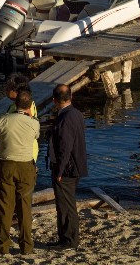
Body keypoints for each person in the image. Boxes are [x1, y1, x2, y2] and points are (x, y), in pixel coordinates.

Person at [0, 88, 39, 256]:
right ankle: (27, 246)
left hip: (6, 165)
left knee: (5, 207)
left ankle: (3, 245)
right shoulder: (34, 122)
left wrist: (3, 140)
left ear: (15, 104)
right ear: (30, 106)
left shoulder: (2, 119)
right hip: (26, 166)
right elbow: (34, 137)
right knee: (25, 207)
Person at [47, 84, 87, 251]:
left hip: (67, 168)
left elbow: (65, 147)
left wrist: (60, 170)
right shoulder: (76, 113)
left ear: (55, 100)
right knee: (67, 202)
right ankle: (66, 237)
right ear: (71, 97)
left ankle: (69, 239)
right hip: (75, 166)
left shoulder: (65, 118)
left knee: (65, 204)